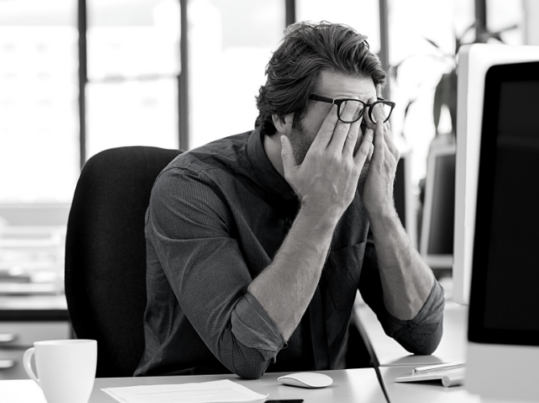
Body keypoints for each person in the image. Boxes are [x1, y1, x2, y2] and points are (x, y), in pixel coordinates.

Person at [134, 21, 444, 379]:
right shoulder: (191, 188)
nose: (361, 133)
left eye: (371, 112)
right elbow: (244, 353)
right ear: (283, 116)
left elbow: (423, 333)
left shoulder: (357, 181)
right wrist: (321, 210)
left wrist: (382, 209)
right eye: (346, 110)